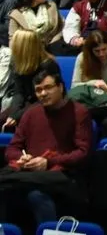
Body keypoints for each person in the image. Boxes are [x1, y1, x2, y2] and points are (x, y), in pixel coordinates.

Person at [0, 71, 93, 225]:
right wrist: (21, 158)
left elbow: (82, 153)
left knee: (19, 185)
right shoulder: (31, 113)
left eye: (48, 88)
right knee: (32, 192)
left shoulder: (79, 112)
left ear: (61, 87)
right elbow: (12, 149)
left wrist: (48, 161)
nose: (43, 93)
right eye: (38, 90)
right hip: (31, 174)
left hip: (63, 175)